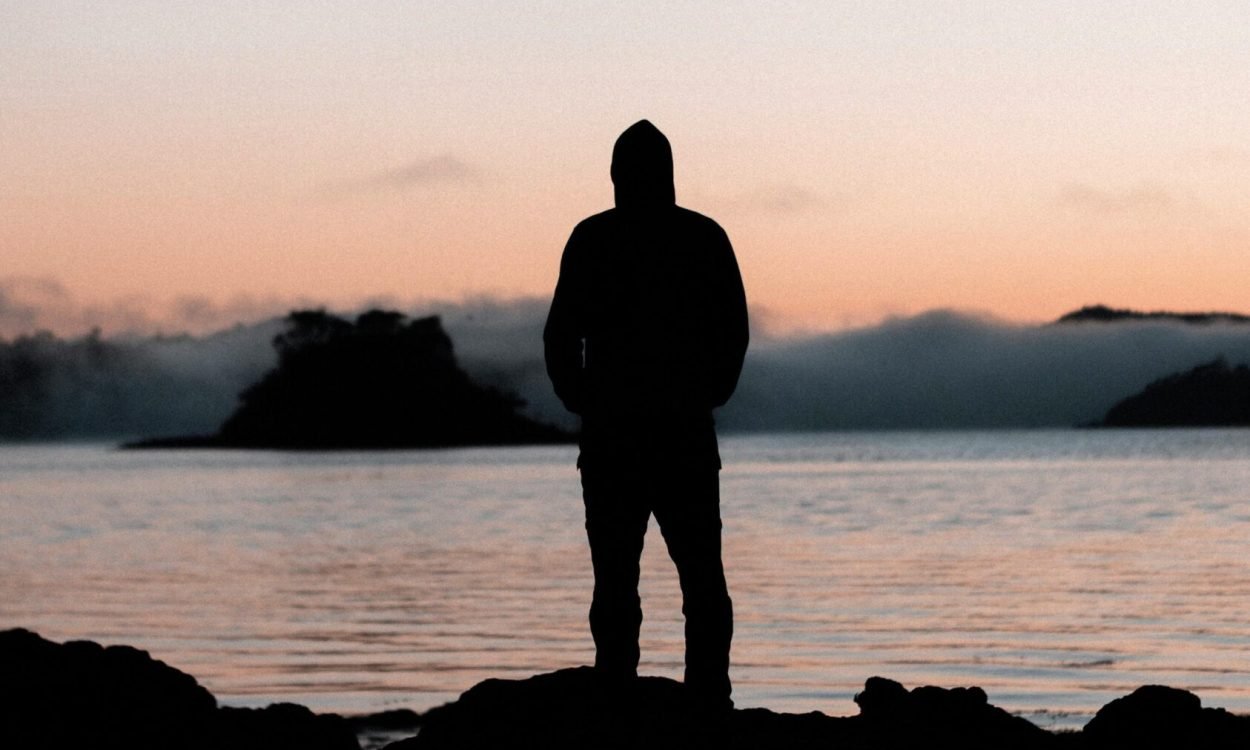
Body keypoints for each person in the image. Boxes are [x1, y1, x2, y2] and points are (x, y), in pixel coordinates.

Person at [544, 120, 749, 708]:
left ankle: (640, 697)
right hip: (658, 432)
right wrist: (708, 393)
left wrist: (579, 396)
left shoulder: (598, 238)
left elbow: (559, 336)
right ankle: (700, 701)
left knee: (646, 579)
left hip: (631, 433)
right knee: (680, 579)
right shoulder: (699, 237)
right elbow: (732, 332)